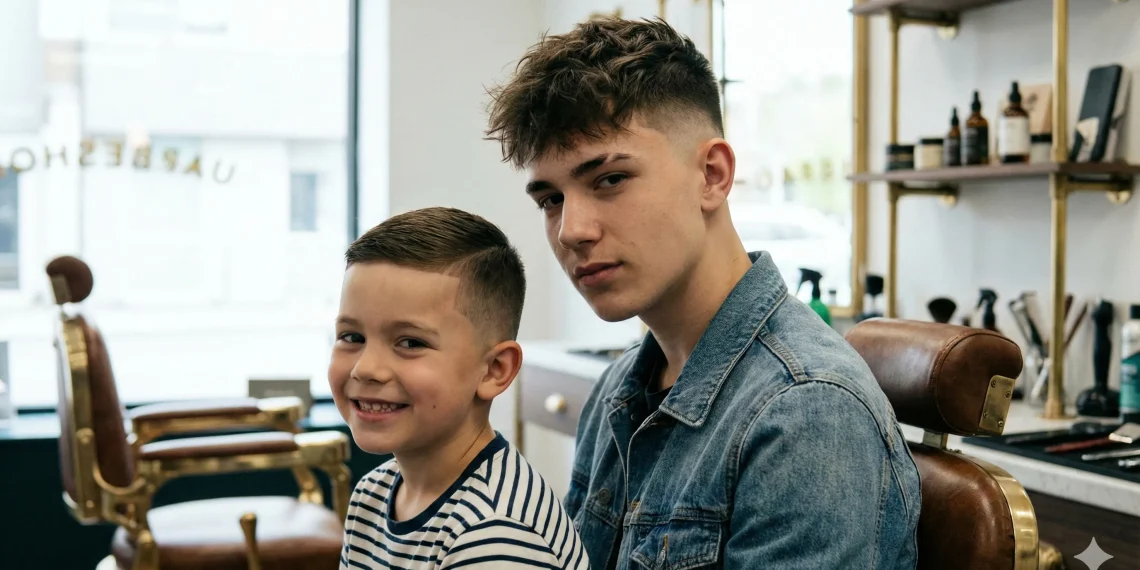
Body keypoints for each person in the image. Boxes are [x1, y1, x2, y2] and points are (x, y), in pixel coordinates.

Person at [485, 16, 922, 569]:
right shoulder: (620, 389)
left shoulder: (804, 414)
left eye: (610, 179)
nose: (572, 229)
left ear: (712, 175)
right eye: (550, 199)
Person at [331, 207, 589, 569]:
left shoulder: (495, 533)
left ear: (494, 370)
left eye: (410, 343)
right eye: (351, 337)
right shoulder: (373, 493)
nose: (366, 368)